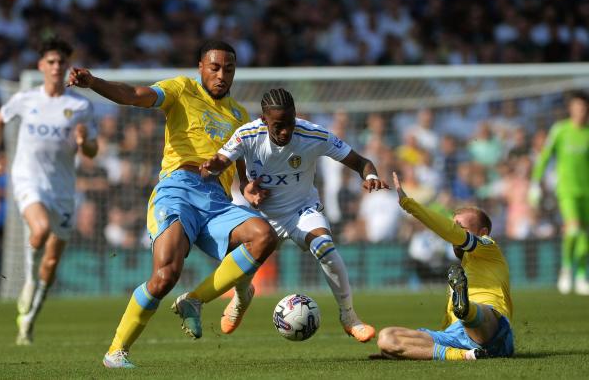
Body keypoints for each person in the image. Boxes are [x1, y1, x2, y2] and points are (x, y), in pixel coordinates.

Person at [67, 40, 278, 369]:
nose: (222, 75)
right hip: (178, 188)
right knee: (166, 275)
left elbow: (242, 167)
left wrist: (249, 188)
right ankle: (116, 352)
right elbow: (135, 96)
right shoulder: (181, 89)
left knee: (264, 235)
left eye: (229, 69)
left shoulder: (239, 114)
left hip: (217, 202)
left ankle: (195, 300)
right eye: (215, 67)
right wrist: (94, 83)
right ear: (201, 68)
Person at [200, 88, 389, 342]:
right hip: (262, 216)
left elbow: (361, 161)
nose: (285, 131)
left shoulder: (313, 134)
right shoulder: (247, 134)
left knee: (325, 247)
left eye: (289, 123)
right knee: (238, 257)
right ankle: (242, 296)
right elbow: (222, 161)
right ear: (264, 119)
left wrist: (371, 176)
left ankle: (349, 317)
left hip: (302, 210)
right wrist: (218, 171)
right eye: (278, 125)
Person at [0, 36, 99, 345]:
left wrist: (83, 142)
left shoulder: (80, 105)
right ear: (41, 66)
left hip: (62, 188)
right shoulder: (26, 99)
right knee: (40, 229)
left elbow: (92, 151)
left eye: (61, 61)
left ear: (66, 66)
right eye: (50, 61)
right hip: (27, 180)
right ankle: (26, 283)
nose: (56, 66)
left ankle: (30, 317)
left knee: (51, 262)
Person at [375, 172, 514, 360]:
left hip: (491, 324)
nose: (454, 232)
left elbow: (450, 232)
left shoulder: (489, 249)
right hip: (454, 335)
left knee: (479, 312)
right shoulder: (460, 272)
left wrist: (409, 204)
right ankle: (466, 355)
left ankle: (467, 311)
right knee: (386, 338)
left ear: (482, 232)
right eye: (453, 225)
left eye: (460, 227)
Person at [530, 91, 589, 295]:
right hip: (567, 190)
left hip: (586, 191)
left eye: (584, 108)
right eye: (577, 107)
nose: (580, 112)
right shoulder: (560, 130)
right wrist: (535, 183)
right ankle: (566, 269)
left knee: (584, 236)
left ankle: (581, 275)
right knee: (573, 230)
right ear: (571, 109)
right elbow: (545, 157)